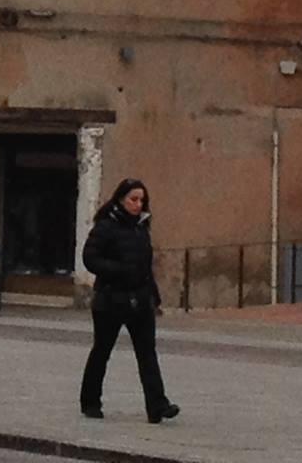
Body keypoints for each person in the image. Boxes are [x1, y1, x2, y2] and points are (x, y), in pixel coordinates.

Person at [79, 178, 178, 424]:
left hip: (140, 298)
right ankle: (90, 401)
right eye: (133, 199)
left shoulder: (141, 227)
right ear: (121, 199)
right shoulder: (106, 226)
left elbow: (145, 267)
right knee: (102, 350)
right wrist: (118, 270)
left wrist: (154, 297)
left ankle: (157, 405)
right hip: (110, 299)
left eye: (141, 200)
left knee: (147, 353)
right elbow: (90, 258)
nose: (138, 204)